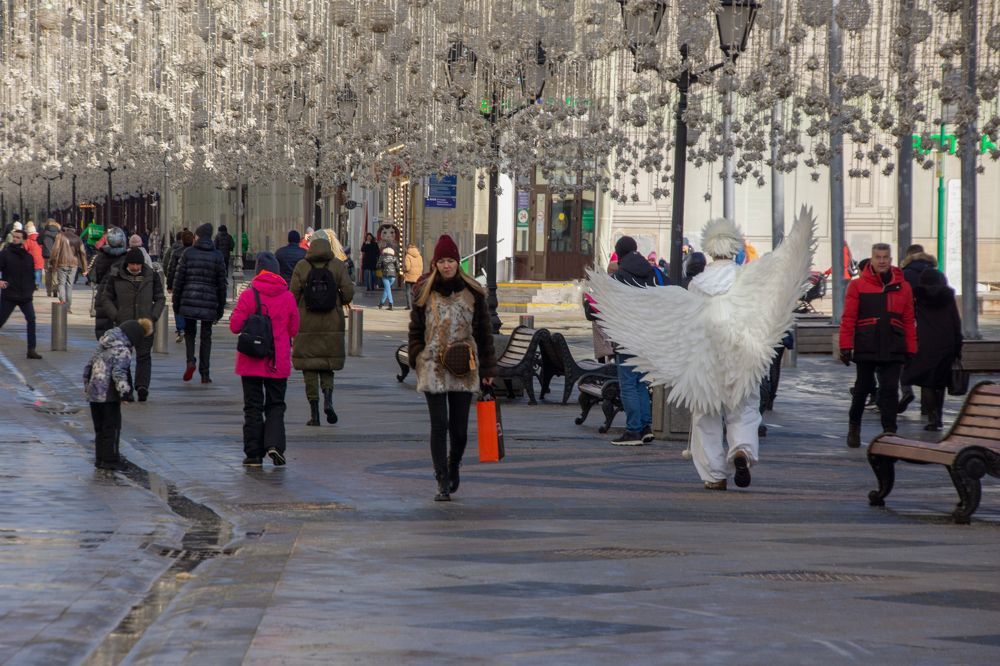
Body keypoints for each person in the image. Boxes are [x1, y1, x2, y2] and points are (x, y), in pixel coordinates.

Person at [588, 208, 815, 491]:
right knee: (743, 410)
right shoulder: (746, 279)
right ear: (734, 248)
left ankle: (714, 474)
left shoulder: (697, 284)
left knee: (705, 417)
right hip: (741, 356)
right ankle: (742, 450)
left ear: (709, 249)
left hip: (705, 362)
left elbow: (686, 324)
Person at [408, 234, 497, 501]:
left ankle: (453, 464)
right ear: (435, 264)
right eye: (442, 261)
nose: (447, 266)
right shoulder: (423, 292)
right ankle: (441, 480)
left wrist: (488, 371)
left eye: (451, 261)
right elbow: (416, 330)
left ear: (458, 263)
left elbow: (484, 335)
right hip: (433, 365)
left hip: (464, 366)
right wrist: (416, 355)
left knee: (459, 429)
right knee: (439, 425)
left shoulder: (474, 293)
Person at [839, 243, 917, 448]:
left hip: (894, 343)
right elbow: (848, 318)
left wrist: (911, 347)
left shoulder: (903, 286)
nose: (882, 260)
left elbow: (909, 319)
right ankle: (854, 426)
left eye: (885, 257)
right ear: (871, 260)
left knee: (890, 390)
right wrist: (845, 346)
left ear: (891, 260)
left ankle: (890, 432)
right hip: (867, 343)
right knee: (863, 388)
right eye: (877, 257)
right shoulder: (857, 286)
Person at [229, 252, 299, 466]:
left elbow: (234, 326)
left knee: (253, 407)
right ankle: (275, 445)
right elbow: (294, 328)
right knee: (276, 404)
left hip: (251, 361)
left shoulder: (249, 295)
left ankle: (253, 454)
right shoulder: (288, 297)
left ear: (258, 271)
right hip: (277, 361)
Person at [290, 236, 354, 426]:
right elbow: (348, 293)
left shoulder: (302, 266)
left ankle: (314, 414)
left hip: (306, 322)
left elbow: (292, 296)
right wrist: (337, 301)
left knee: (309, 368)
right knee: (327, 365)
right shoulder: (337, 265)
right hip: (331, 322)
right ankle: (328, 399)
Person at [97, 247, 166, 402]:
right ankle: (126, 390)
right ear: (127, 264)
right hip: (124, 324)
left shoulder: (151, 276)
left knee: (144, 356)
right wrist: (116, 315)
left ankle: (142, 386)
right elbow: (105, 298)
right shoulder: (116, 276)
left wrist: (153, 316)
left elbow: (160, 298)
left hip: (145, 324)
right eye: (132, 264)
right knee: (123, 357)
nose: (135, 267)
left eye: (138, 265)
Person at [84, 318, 152, 470]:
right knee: (112, 427)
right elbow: (119, 373)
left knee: (99, 428)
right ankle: (110, 461)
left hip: (94, 392)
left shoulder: (103, 343)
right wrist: (124, 393)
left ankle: (100, 459)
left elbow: (89, 364)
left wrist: (86, 385)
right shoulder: (123, 350)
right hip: (109, 394)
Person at [609, 235, 658, 446]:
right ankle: (646, 427)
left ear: (619, 253)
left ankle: (633, 431)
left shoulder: (619, 276)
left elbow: (604, 306)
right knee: (640, 382)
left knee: (628, 384)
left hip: (626, 334)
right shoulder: (652, 272)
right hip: (646, 335)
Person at [902, 269, 963, 431]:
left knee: (927, 382)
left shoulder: (918, 297)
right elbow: (955, 322)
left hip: (925, 342)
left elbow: (910, 319)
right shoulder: (948, 297)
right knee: (940, 383)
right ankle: (939, 417)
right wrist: (958, 347)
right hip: (946, 343)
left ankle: (932, 417)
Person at [173, 223, 228, 384]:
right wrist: (220, 307)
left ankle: (190, 361)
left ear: (198, 236)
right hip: (209, 302)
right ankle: (205, 373)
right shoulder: (217, 256)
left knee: (190, 333)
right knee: (206, 336)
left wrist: (177, 303)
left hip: (189, 299)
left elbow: (179, 280)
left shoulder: (188, 253)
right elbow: (221, 284)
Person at [898, 244, 938, 413]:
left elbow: (900, 301)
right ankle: (927, 409)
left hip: (911, 323)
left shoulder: (905, 274)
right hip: (932, 326)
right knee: (928, 364)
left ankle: (907, 390)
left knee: (904, 359)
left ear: (908, 256)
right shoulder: (937, 274)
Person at [0, 228, 43, 359]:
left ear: (24, 240)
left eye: (18, 237)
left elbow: (31, 274)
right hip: (10, 294)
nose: (15, 239)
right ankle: (31, 350)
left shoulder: (28, 257)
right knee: (1, 320)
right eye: (14, 237)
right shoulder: (5, 254)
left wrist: (31, 288)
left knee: (31, 320)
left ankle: (31, 349)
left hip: (25, 296)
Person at [49, 225, 89, 312]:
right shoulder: (78, 238)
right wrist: (85, 268)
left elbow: (55, 249)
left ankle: (63, 303)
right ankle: (68, 307)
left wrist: (51, 261)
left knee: (61, 284)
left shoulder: (60, 236)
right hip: (74, 264)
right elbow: (82, 253)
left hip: (62, 263)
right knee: (69, 285)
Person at [166, 230, 195, 343]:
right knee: (190, 306)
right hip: (191, 284)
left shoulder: (176, 252)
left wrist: (169, 285)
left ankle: (180, 328)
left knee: (177, 306)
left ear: (182, 240)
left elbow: (171, 269)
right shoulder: (195, 253)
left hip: (178, 283)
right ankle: (189, 329)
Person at [41, 219, 61, 296]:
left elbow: (38, 241)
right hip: (56, 255)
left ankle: (49, 291)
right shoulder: (59, 233)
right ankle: (55, 287)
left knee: (48, 273)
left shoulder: (44, 232)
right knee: (55, 272)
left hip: (46, 256)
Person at [23, 222, 44, 290]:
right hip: (40, 257)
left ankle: (32, 282)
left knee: (31, 271)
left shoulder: (27, 240)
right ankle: (37, 283)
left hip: (30, 258)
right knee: (38, 271)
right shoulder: (40, 238)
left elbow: (25, 249)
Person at [402, 243, 424, 310]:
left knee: (408, 291)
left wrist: (404, 270)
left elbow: (408, 267)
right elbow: (421, 267)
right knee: (415, 291)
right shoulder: (419, 256)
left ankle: (409, 306)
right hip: (417, 276)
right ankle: (416, 305)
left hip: (409, 276)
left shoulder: (408, 256)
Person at [376, 246, 398, 310]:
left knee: (388, 289)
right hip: (393, 276)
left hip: (385, 275)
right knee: (387, 289)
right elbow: (398, 267)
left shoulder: (382, 257)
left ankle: (391, 303)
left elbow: (378, 266)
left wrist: (382, 266)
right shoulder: (395, 258)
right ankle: (381, 303)